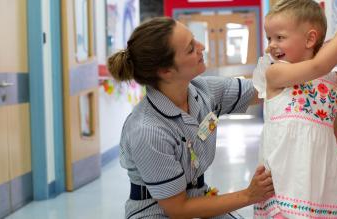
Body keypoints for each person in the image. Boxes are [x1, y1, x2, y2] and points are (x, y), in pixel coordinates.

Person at [108, 17, 275, 219]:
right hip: (156, 212)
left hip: (197, 196)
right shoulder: (147, 130)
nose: (202, 46)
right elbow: (178, 209)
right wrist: (249, 195)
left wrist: (313, 60)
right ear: (166, 71)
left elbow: (263, 89)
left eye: (194, 39)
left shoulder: (202, 90)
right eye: (190, 48)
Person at [251, 0, 337, 218]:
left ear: (310, 39)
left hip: (317, 178)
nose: (270, 45)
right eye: (269, 38)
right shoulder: (275, 73)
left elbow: (335, 122)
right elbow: (318, 66)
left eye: (279, 37)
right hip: (285, 177)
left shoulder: (331, 78)